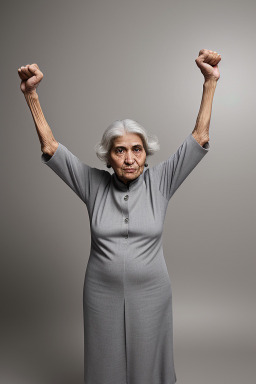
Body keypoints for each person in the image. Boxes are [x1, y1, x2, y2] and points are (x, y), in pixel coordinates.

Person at [18, 48, 221, 384]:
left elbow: (199, 137)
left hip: (153, 291)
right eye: (120, 150)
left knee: (150, 365)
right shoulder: (91, 183)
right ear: (108, 157)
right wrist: (32, 96)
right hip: (101, 292)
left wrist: (209, 83)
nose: (129, 158)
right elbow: (51, 146)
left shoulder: (162, 180)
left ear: (146, 153)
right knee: (105, 366)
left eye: (136, 149)